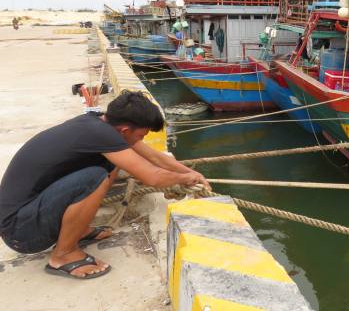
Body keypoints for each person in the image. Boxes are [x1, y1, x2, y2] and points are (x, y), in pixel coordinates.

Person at [0, 90, 211, 280]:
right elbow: (152, 177)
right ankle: (63, 255)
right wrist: (185, 180)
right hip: (20, 233)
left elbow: (155, 158)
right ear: (125, 130)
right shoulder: (102, 134)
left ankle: (77, 231)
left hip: (29, 215)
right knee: (95, 177)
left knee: (111, 163)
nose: (141, 140)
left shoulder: (101, 124)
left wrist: (192, 173)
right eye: (141, 135)